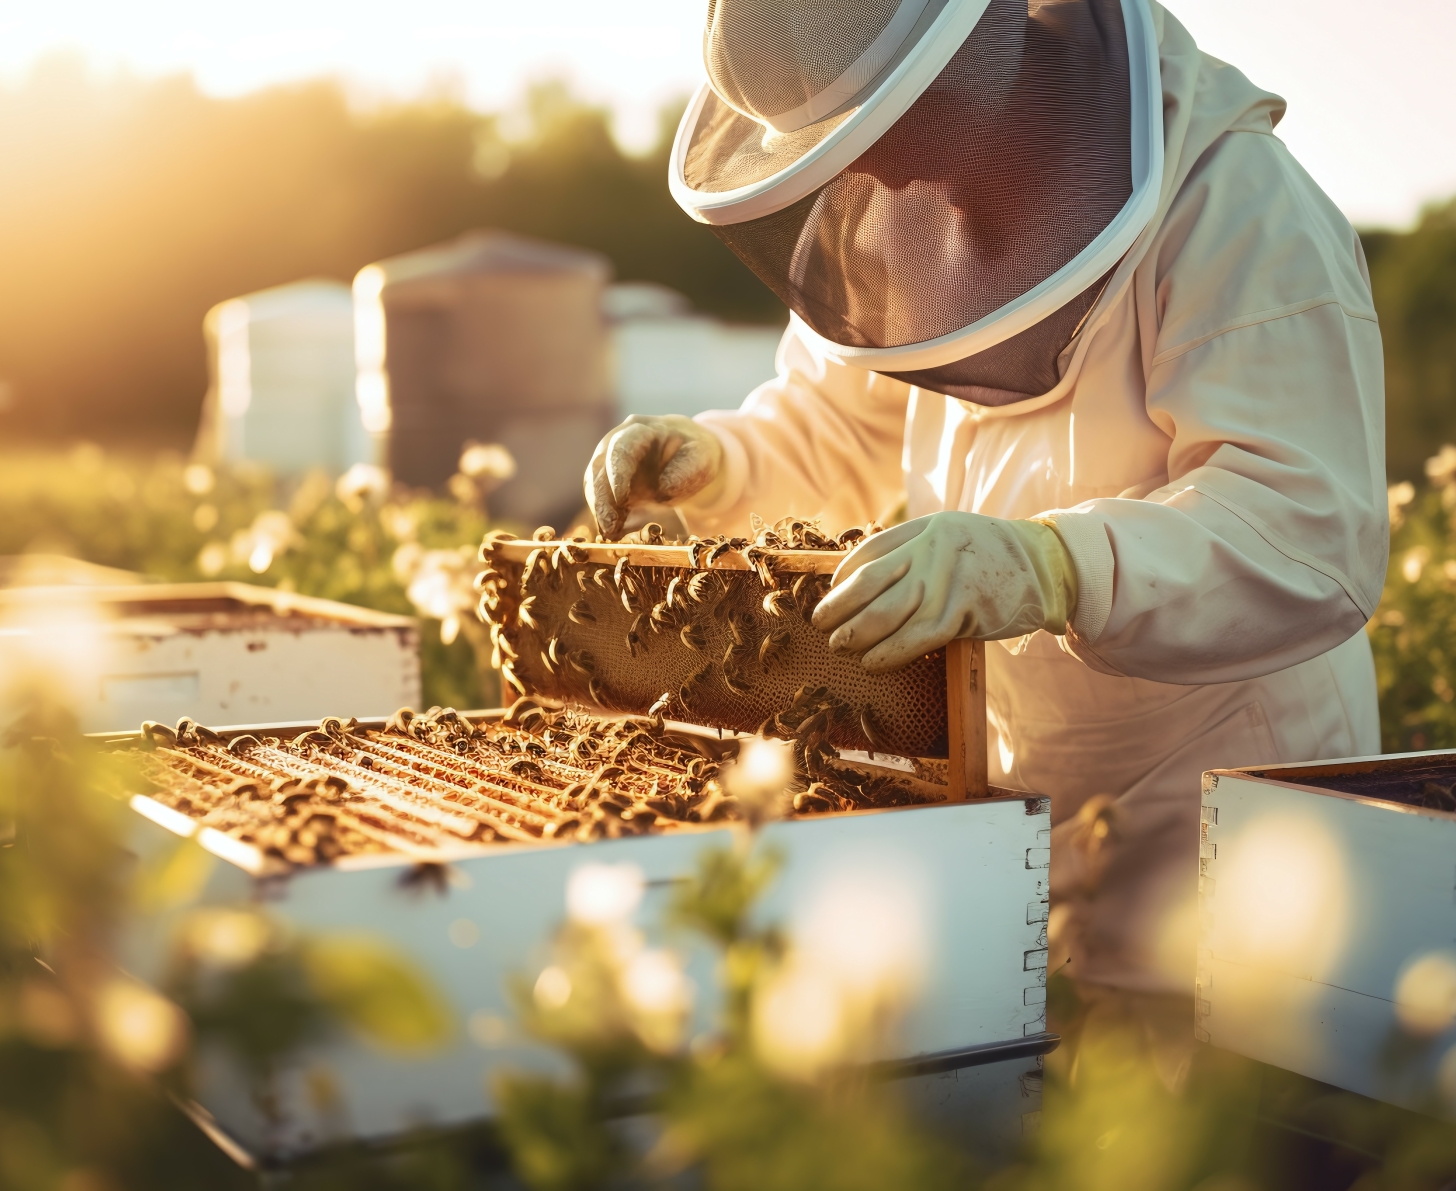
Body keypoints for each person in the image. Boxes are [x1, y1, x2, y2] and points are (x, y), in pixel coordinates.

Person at [584, 0, 1385, 992]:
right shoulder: (893, 216)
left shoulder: (1233, 205)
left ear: (969, 54)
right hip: (1017, 792)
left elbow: (1302, 530)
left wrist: (1054, 566)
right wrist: (724, 465)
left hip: (1218, 811)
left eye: (880, 125)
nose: (868, 172)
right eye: (835, 143)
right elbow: (839, 425)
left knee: (1205, 1132)